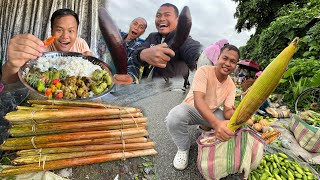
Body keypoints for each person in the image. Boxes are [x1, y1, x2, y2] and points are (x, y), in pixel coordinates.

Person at [165, 44, 239, 170]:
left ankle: (204, 126)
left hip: (211, 113)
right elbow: (198, 100)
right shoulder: (204, 71)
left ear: (236, 65)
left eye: (232, 61)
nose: (227, 63)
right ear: (218, 58)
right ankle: (183, 148)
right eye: (225, 58)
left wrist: (237, 113)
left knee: (232, 125)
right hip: (191, 109)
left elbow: (227, 113)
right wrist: (216, 124)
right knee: (174, 117)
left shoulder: (231, 85)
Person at [1, 8, 92, 84]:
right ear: (52, 31)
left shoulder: (81, 44)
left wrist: (90, 65)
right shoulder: (40, 49)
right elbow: (8, 81)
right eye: (59, 30)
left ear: (76, 32)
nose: (65, 36)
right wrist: (12, 65)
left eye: (71, 31)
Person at [121, 3, 202, 84]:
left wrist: (201, 59)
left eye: (167, 15)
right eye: (158, 15)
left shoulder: (185, 40)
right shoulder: (152, 36)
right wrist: (142, 54)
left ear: (177, 20)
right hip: (145, 90)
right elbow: (137, 52)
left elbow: (193, 49)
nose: (161, 19)